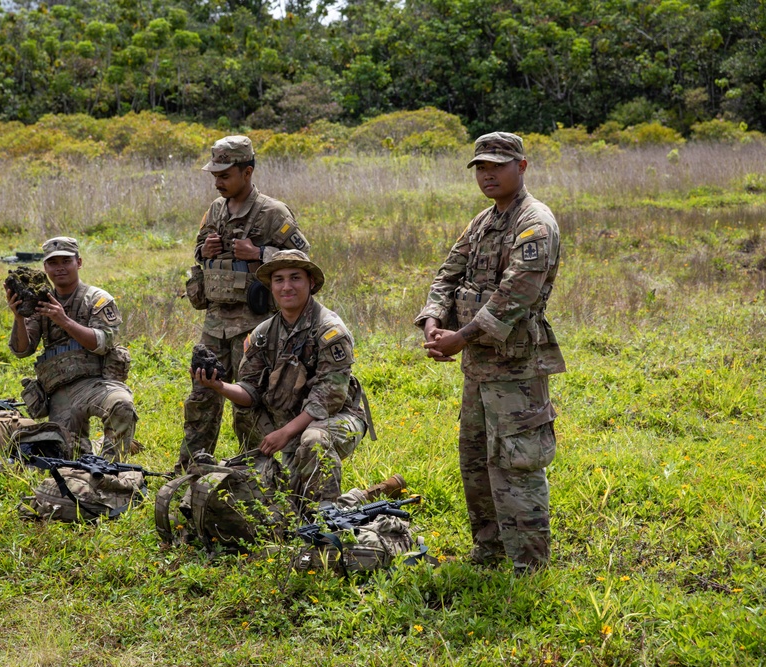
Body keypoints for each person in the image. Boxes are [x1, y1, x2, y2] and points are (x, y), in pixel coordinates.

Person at [415, 132, 565, 574]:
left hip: (516, 366)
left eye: (497, 165)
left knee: (517, 462)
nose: (488, 174)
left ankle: (530, 566)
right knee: (476, 460)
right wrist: (432, 321)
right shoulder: (482, 222)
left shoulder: (535, 222)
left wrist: (459, 337)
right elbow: (447, 273)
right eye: (481, 166)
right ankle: (490, 551)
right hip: (479, 369)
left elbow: (515, 293)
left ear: (522, 166)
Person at [193, 249, 397, 513]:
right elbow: (250, 390)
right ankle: (270, 479)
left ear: (310, 282)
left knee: (313, 442)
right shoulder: (263, 334)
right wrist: (219, 386)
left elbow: (327, 399)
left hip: (335, 419)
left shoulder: (329, 330)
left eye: (295, 278)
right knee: (291, 502)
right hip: (288, 421)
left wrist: (285, 433)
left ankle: (328, 515)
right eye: (278, 279)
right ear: (270, 286)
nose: (286, 286)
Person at [178, 135, 311, 472]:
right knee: (201, 398)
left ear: (247, 171)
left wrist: (260, 254)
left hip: (254, 326)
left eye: (225, 175)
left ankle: (252, 472)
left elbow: (303, 259)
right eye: (215, 176)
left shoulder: (271, 212)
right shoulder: (215, 210)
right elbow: (198, 250)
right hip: (215, 323)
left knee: (249, 401)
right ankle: (191, 468)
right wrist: (203, 251)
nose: (218, 182)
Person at [6, 236, 137, 461]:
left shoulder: (96, 299)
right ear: (45, 267)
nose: (60, 268)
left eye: (66, 261)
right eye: (53, 263)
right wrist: (18, 317)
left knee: (122, 405)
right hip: (60, 392)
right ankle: (93, 448)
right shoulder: (41, 302)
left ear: (79, 262)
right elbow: (22, 350)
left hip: (95, 383)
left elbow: (103, 342)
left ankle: (112, 472)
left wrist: (64, 320)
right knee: (67, 454)